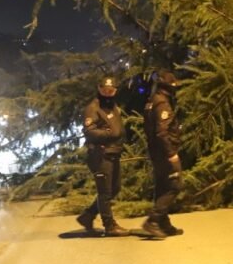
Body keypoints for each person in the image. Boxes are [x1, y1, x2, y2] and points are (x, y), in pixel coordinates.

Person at [76, 76, 129, 236]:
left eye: (111, 90)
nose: (108, 93)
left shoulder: (112, 106)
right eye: (105, 90)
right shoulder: (93, 108)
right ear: (99, 89)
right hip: (100, 155)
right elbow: (89, 131)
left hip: (113, 152)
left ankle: (88, 215)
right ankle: (109, 225)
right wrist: (108, 134)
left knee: (115, 188)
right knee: (105, 192)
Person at [142, 70, 185, 238]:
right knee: (175, 185)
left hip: (155, 151)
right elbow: (162, 132)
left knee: (162, 186)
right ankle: (153, 220)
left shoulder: (151, 102)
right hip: (164, 152)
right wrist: (171, 153)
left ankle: (162, 223)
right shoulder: (162, 104)